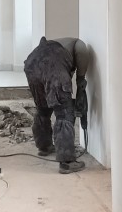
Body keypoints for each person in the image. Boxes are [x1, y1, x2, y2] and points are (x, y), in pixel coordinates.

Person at [24, 36, 89, 173]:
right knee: (65, 113)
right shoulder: (79, 45)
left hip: (32, 64)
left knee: (42, 109)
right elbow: (81, 55)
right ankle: (67, 162)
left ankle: (44, 147)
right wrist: (81, 80)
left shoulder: (63, 45)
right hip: (52, 64)